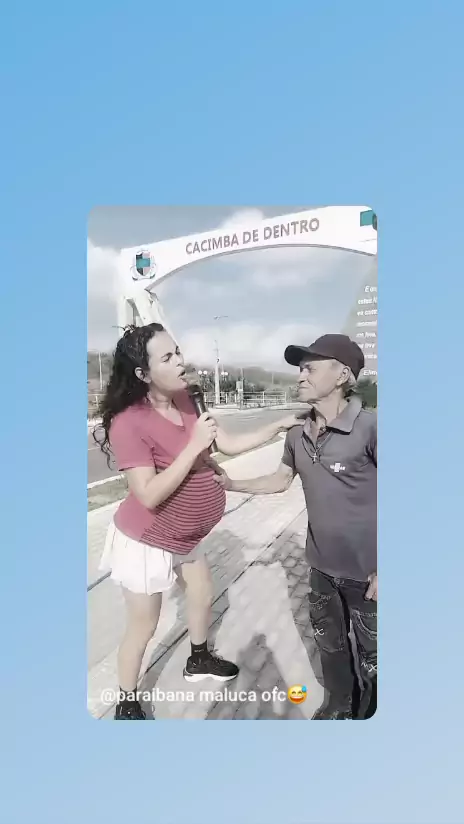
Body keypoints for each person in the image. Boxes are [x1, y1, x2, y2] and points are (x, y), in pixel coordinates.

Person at [93, 323, 301, 720]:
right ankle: (126, 700)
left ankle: (199, 658)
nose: (180, 361)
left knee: (203, 594)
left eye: (178, 351)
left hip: (185, 534)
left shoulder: (188, 399)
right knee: (144, 625)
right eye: (167, 357)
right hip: (146, 538)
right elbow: (148, 494)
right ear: (143, 373)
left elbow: (226, 444)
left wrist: (278, 425)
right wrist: (193, 447)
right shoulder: (128, 422)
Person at [218, 334, 377, 720]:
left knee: (374, 656)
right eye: (300, 369)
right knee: (330, 646)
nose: (300, 376)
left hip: (368, 573)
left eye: (310, 368)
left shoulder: (371, 428)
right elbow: (279, 480)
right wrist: (231, 483)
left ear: (341, 375)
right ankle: (338, 706)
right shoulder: (297, 434)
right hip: (321, 568)